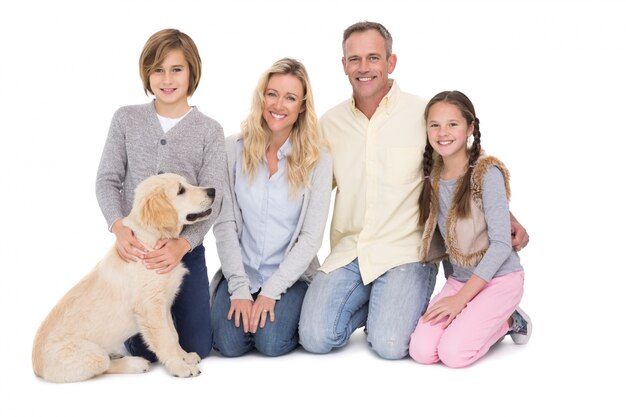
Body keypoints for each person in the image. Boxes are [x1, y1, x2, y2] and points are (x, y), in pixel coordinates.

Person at [299, 21, 529, 360]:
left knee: (391, 346)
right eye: (355, 59)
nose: (364, 68)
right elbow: (308, 189)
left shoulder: (423, 113)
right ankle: (379, 304)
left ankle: (497, 315)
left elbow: (466, 162)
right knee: (315, 338)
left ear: (391, 63)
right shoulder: (329, 124)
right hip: (352, 250)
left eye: (374, 57)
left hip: (407, 250)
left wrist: (506, 214)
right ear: (344, 65)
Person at [95, 28, 226, 361]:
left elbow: (216, 196)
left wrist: (183, 244)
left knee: (198, 346)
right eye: (158, 70)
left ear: (191, 72)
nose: (167, 79)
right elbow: (107, 180)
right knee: (144, 349)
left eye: (177, 69)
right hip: (137, 248)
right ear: (147, 74)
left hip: (186, 248)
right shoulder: (126, 119)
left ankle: (201, 297)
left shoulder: (209, 130)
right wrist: (118, 227)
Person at [209, 58, 332, 357]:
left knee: (271, 341)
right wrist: (239, 290)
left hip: (289, 277)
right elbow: (224, 224)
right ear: (262, 96)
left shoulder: (318, 159)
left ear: (302, 106)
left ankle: (291, 315)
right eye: (272, 93)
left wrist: (270, 293)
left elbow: (311, 237)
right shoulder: (232, 149)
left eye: (290, 98)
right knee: (227, 344)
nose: (279, 104)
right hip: (242, 271)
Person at [408, 90, 531, 368]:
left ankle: (511, 319)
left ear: (470, 128)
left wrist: (460, 301)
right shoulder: (434, 174)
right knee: (422, 351)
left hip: (499, 279)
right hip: (460, 280)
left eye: (453, 124)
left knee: (454, 354)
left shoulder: (487, 172)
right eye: (434, 124)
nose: (443, 132)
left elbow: (501, 245)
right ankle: (478, 317)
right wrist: (456, 295)